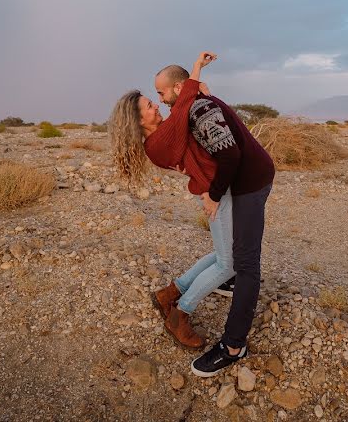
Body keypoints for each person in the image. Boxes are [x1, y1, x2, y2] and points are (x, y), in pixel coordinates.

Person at [150, 59, 275, 378]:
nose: (161, 100)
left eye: (162, 93)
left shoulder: (197, 110)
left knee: (245, 265)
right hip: (247, 179)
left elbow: (230, 155)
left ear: (178, 88)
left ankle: (233, 346)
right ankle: (206, 286)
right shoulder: (193, 103)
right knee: (233, 256)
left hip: (249, 183)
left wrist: (214, 194)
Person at [109, 52, 228, 351]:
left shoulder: (163, 134)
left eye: (156, 98)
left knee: (224, 254)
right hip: (215, 193)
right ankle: (181, 312)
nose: (158, 103)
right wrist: (196, 70)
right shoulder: (159, 142)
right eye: (150, 104)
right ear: (138, 119)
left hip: (214, 189)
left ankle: (169, 293)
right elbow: (184, 107)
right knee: (229, 263)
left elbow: (187, 114)